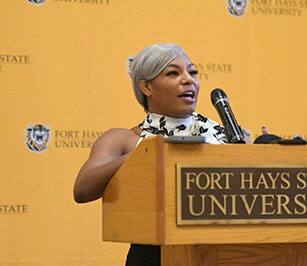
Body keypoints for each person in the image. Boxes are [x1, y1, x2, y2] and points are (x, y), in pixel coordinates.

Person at [73, 43, 227, 266]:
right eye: (173, 73)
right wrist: (144, 154)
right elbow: (82, 190)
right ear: (147, 87)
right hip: (153, 256)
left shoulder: (225, 136)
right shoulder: (125, 139)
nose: (188, 80)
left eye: (192, 72)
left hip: (224, 253)